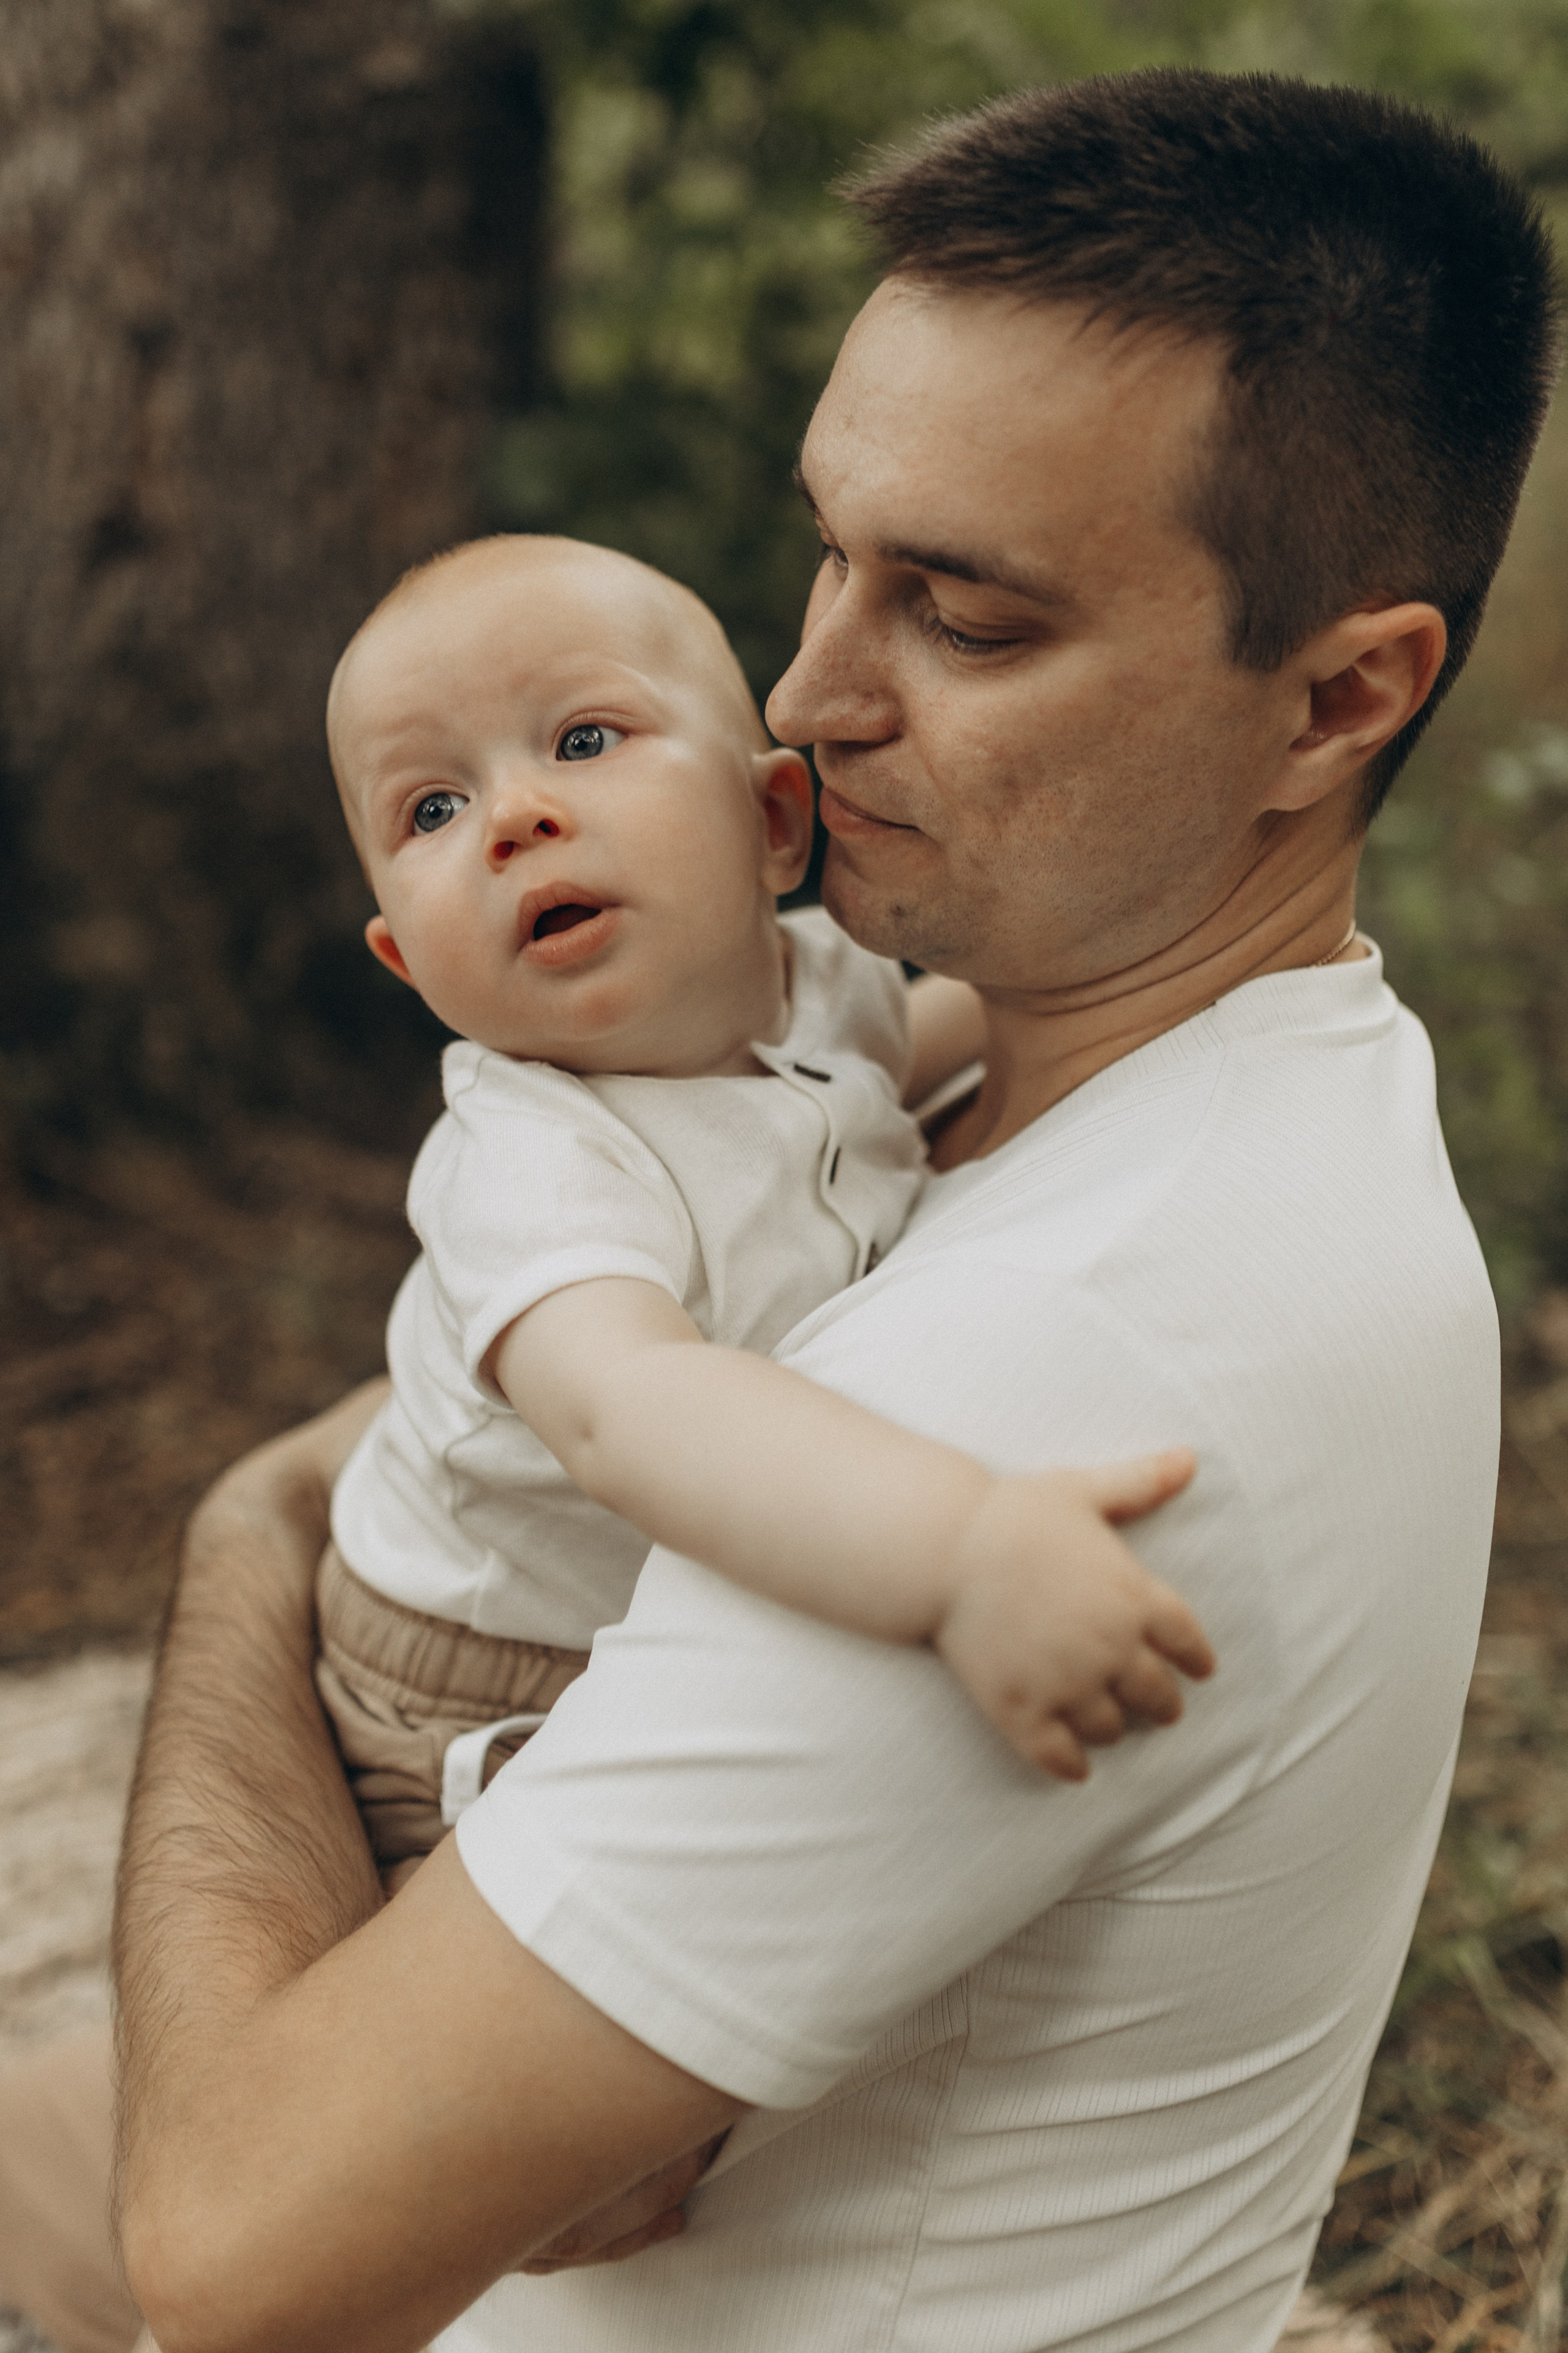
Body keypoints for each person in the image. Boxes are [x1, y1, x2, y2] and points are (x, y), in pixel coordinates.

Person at [0, 63, 1555, 2353]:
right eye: (830, 552)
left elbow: (233, 2257)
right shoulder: (1185, 1078)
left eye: (972, 617)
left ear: (1336, 698)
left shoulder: (1050, 1383)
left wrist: (250, 1543)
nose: (811, 699)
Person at [318, 529, 1210, 1878]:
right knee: (585, 2000)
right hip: (483, 1677)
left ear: (772, 823)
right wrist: (957, 1549)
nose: (510, 817)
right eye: (429, 811)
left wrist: (1152, 947)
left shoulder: (820, 988)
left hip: (647, 1597)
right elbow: (632, 1410)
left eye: (580, 740)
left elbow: (935, 1032)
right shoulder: (531, 1163)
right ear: (402, 960)